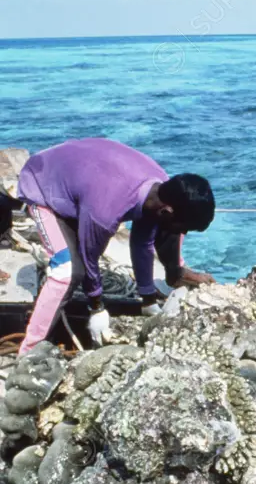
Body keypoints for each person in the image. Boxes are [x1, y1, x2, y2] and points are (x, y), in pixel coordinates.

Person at [16, 137, 216, 354]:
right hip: (42, 182)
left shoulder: (161, 186)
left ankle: (172, 276)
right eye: (183, 227)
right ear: (166, 211)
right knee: (68, 271)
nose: (182, 233)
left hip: (83, 176)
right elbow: (89, 256)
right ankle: (28, 352)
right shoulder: (105, 212)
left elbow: (143, 244)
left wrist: (148, 300)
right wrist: (96, 307)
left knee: (164, 232)